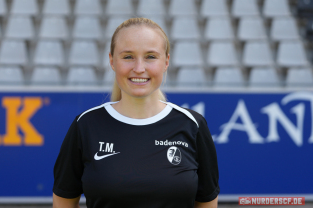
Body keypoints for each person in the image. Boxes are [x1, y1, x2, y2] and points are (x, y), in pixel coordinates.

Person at [53, 17, 219, 208]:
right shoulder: (85, 125)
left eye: (150, 56)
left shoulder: (193, 125)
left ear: (166, 62)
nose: (139, 68)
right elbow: (63, 201)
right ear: (112, 61)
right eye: (128, 56)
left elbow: (207, 202)